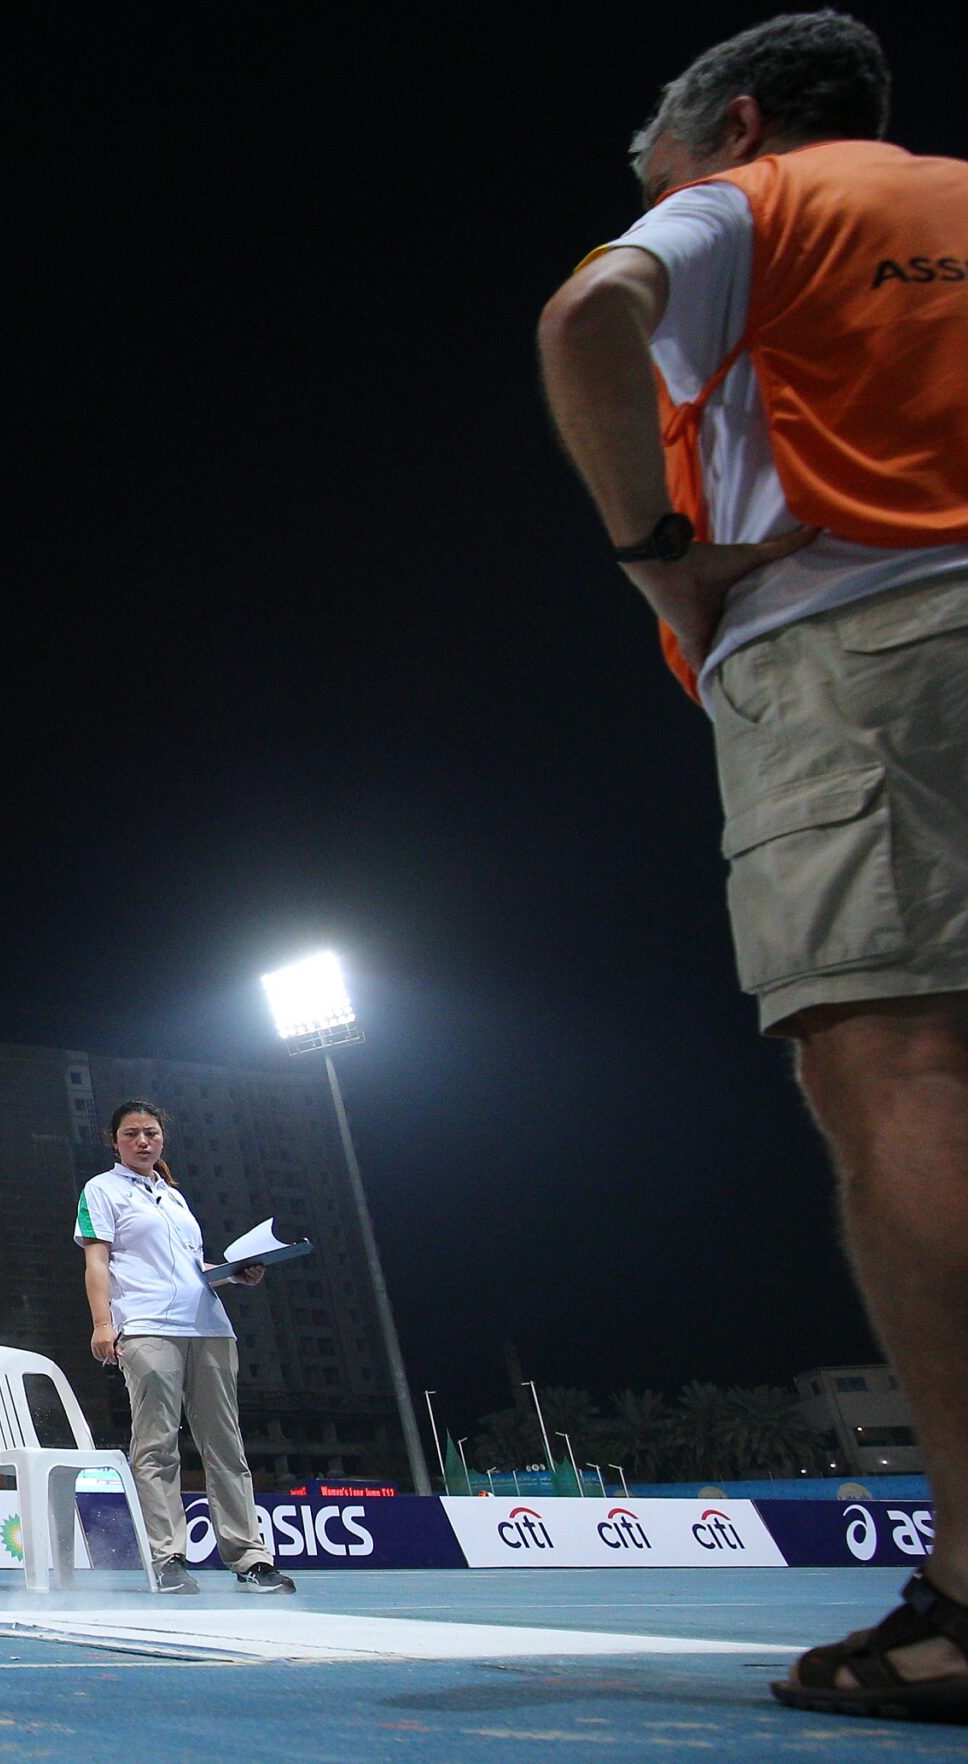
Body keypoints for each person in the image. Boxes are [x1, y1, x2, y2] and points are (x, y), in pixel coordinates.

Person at [537, 12, 968, 1722]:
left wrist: (661, 554)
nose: (650, 188)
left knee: (904, 1070)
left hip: (860, 647)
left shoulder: (758, 202)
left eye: (653, 161)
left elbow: (587, 319)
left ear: (733, 121)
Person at [76, 1100, 291, 1595]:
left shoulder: (173, 1196)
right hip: (147, 1326)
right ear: (114, 1141)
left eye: (151, 1133)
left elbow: (191, 1268)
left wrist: (234, 1273)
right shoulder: (101, 1189)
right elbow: (97, 1263)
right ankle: (168, 1557)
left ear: (162, 1138)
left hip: (209, 1327)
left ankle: (250, 1558)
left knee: (226, 1445)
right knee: (156, 1445)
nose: (143, 1141)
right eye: (131, 1134)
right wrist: (102, 1323)